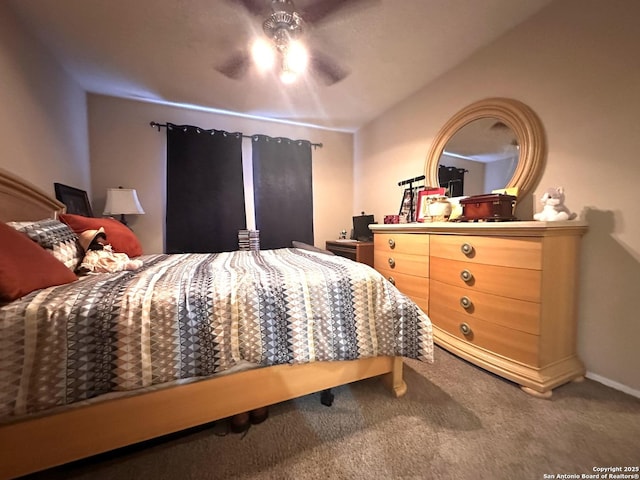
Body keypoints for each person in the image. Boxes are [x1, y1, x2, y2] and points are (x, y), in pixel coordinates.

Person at [78, 227, 143, 273]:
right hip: (103, 262)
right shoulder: (93, 253)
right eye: (100, 238)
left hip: (109, 257)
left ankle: (126, 263)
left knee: (122, 255)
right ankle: (125, 265)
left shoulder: (104, 249)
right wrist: (87, 266)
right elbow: (90, 259)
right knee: (108, 263)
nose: (103, 240)